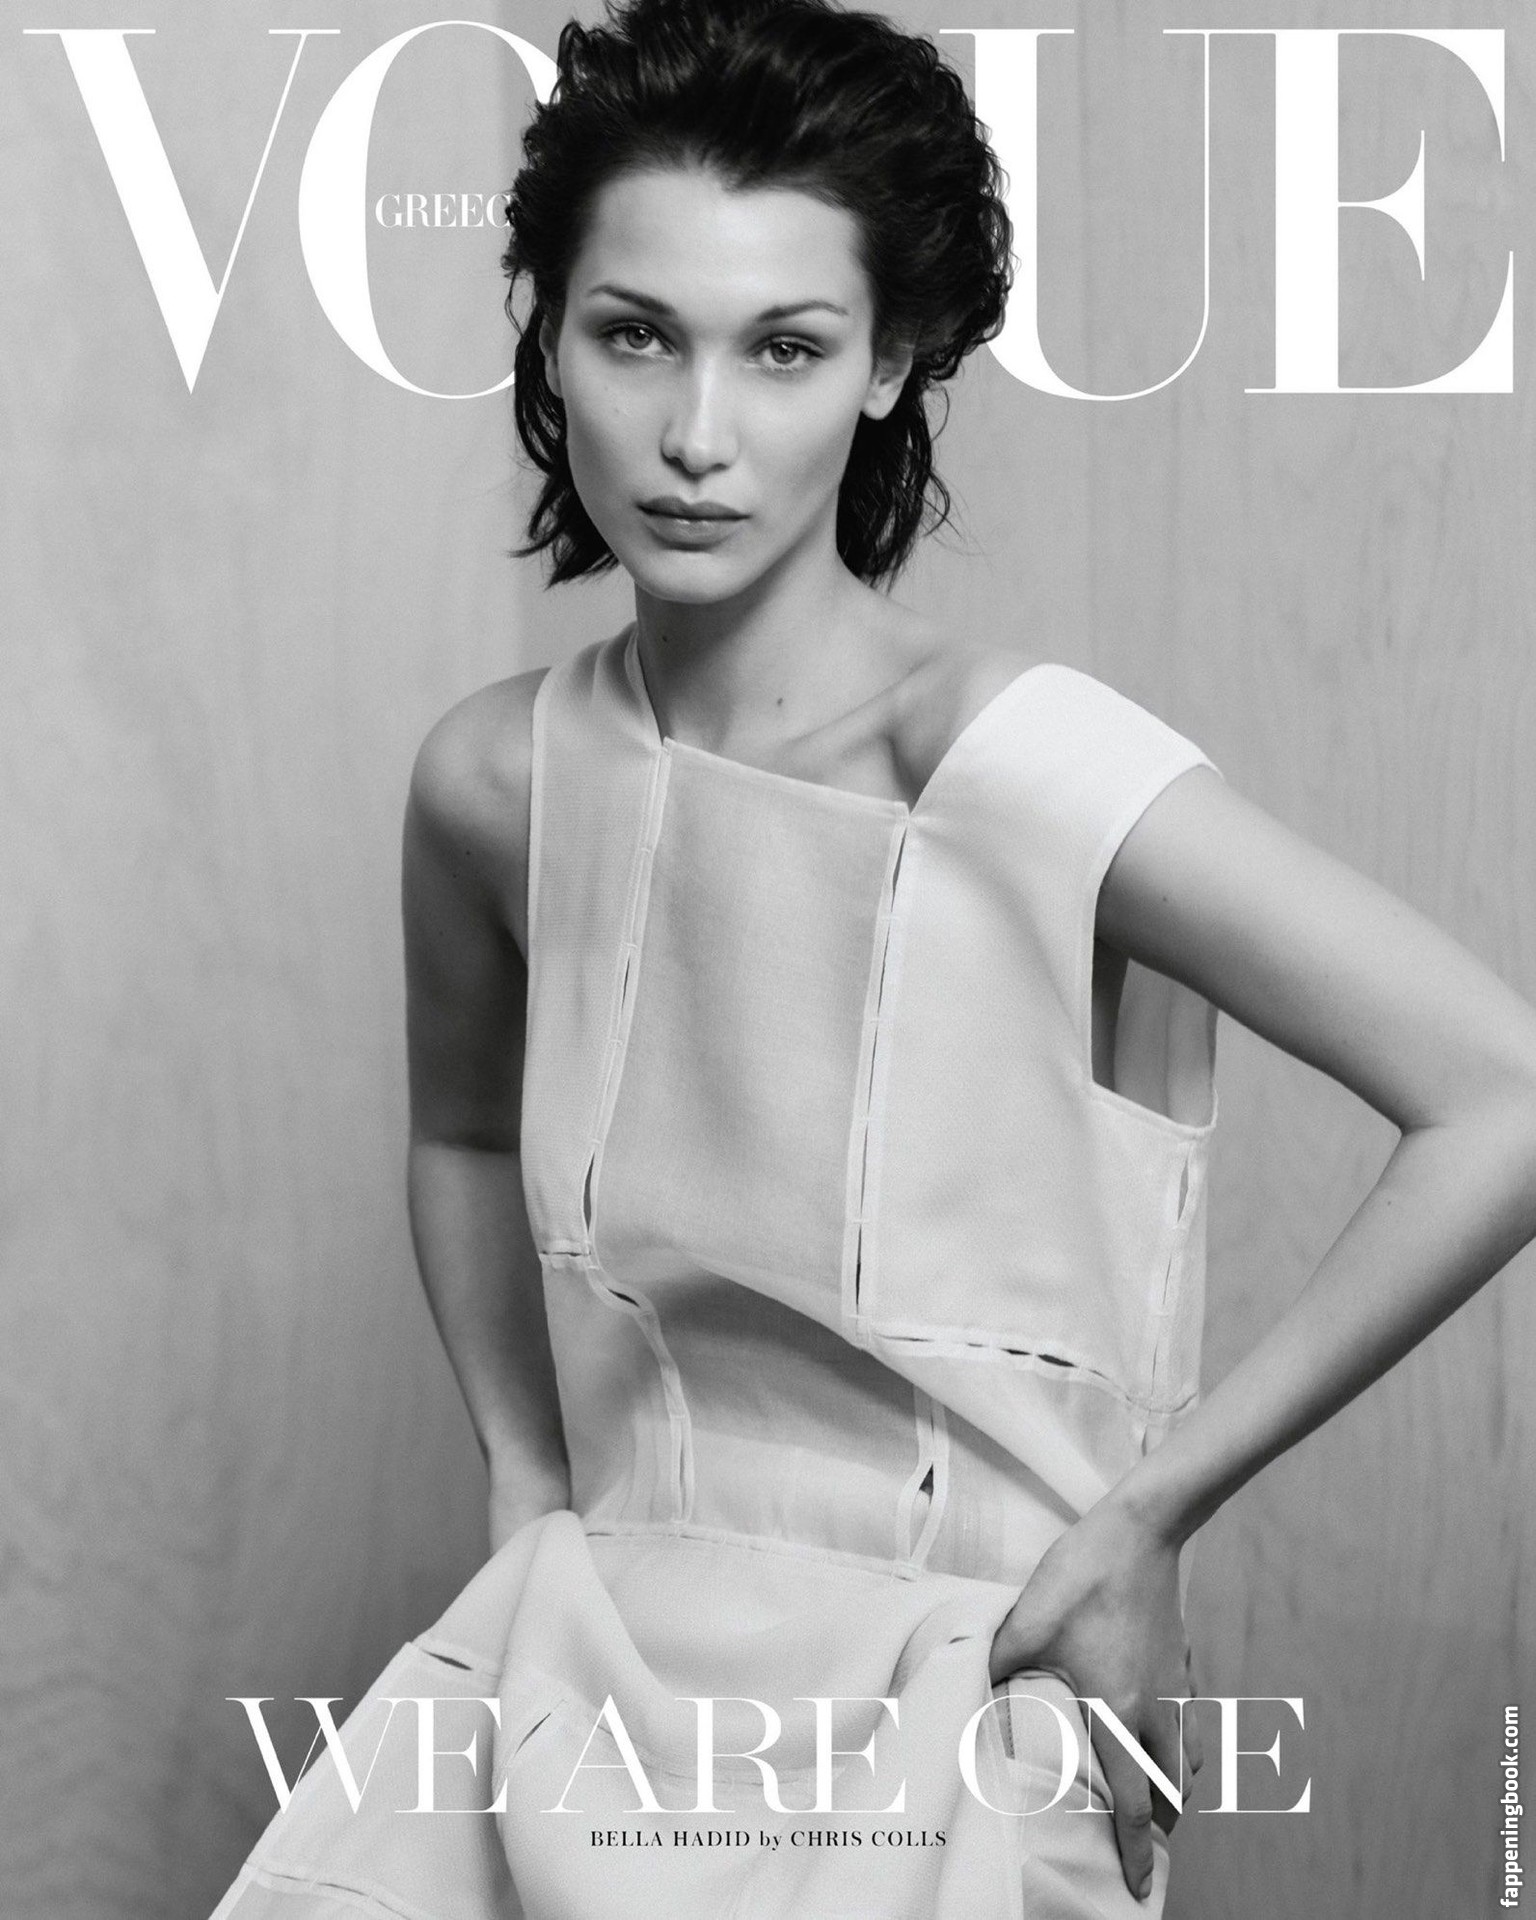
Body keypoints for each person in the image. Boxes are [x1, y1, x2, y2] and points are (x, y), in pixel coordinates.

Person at [209, 0, 1536, 1914]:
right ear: (547, 333)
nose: (696, 434)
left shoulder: (1018, 765)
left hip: (964, 1674)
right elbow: (461, 1136)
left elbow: (1502, 1094)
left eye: (786, 348)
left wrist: (1150, 1520)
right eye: (635, 333)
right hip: (587, 1652)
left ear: (892, 361)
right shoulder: (496, 781)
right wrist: (523, 1473)